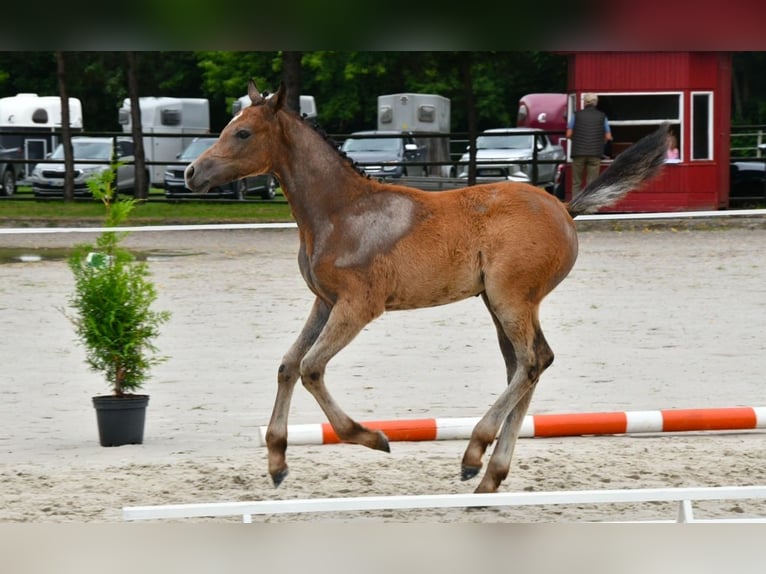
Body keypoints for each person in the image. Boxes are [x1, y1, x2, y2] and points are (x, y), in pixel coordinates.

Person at [565, 93, 613, 196]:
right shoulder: (602, 116)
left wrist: (577, 140)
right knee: (592, 183)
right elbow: (608, 137)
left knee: (576, 182)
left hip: (578, 153)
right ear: (596, 103)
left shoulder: (576, 115)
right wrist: (601, 142)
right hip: (595, 153)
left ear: (585, 102)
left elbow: (568, 134)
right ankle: (588, 206)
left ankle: (575, 205)